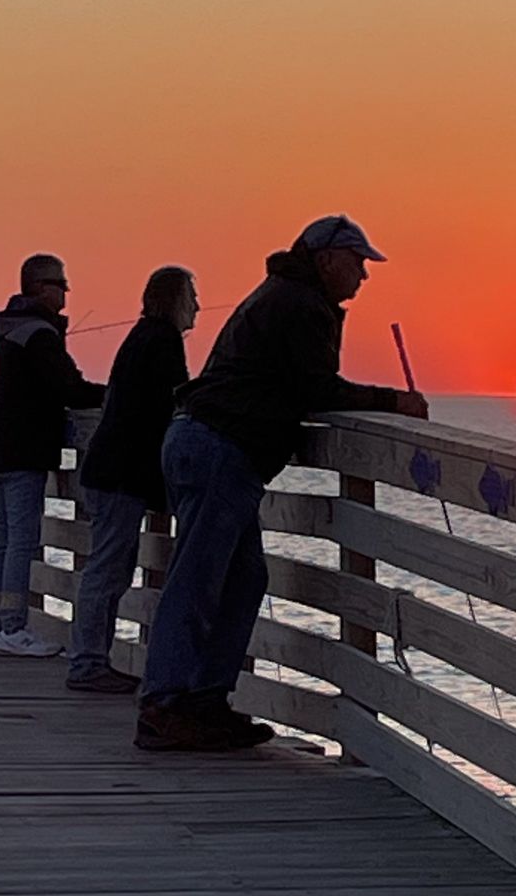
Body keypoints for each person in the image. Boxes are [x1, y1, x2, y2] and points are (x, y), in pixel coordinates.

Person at [137, 215, 428, 751]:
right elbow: (316, 388)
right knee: (199, 578)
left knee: (243, 578)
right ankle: (165, 704)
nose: (363, 275)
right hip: (219, 445)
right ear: (326, 259)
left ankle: (204, 700)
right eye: (357, 262)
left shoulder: (282, 295)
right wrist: (394, 401)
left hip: (209, 442)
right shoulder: (300, 305)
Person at [66, 267, 199, 693]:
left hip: (111, 471)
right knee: (107, 570)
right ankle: (87, 662)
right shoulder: (162, 341)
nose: (197, 304)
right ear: (175, 299)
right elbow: (173, 401)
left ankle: (91, 659)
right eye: (191, 296)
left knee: (111, 568)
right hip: (119, 475)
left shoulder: (143, 336)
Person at [0, 254, 105, 657]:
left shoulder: (10, 335)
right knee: (21, 539)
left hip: (1, 451)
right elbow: (70, 388)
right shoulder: (38, 335)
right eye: (60, 285)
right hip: (24, 451)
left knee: (4, 537)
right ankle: (13, 628)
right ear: (40, 288)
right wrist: (115, 395)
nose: (65, 293)